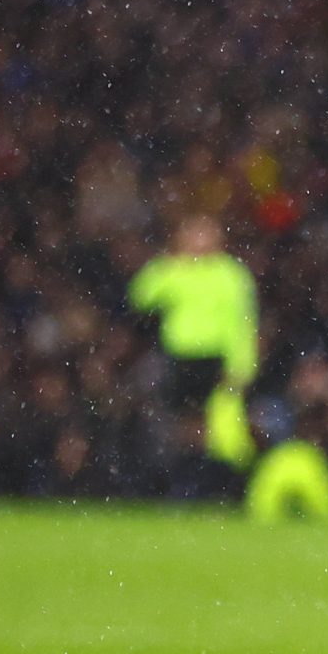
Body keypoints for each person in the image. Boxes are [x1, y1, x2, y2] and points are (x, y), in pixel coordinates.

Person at [126, 214, 259, 499]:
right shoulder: (175, 270)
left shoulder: (231, 274)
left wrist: (242, 365)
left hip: (216, 359)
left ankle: (220, 487)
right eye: (194, 234)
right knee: (183, 425)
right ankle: (185, 485)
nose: (200, 241)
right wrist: (168, 262)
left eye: (206, 234)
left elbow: (243, 323)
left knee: (222, 428)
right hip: (180, 357)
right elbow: (140, 295)